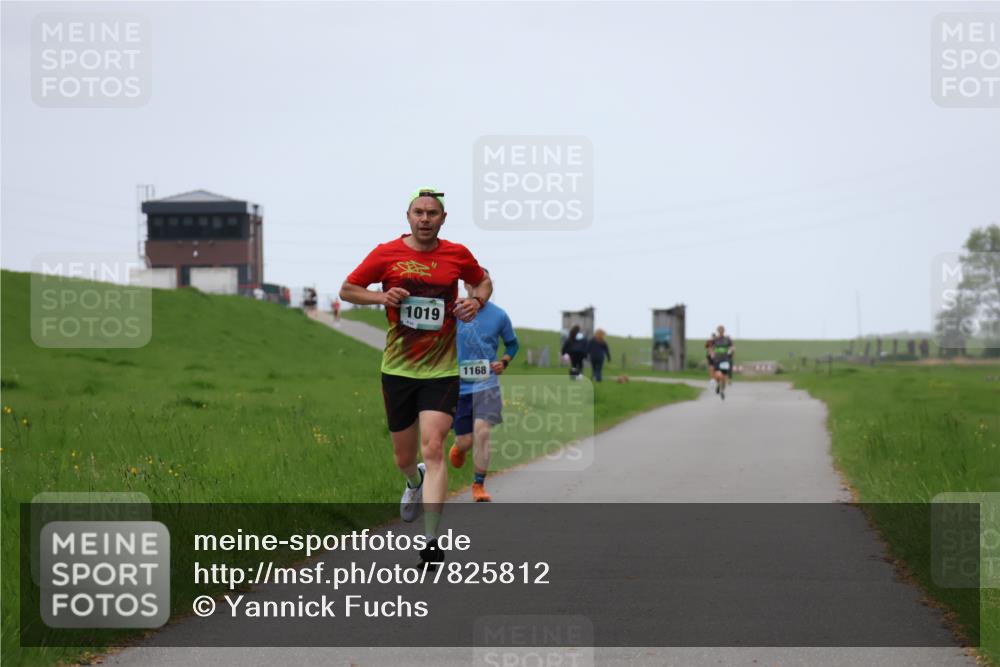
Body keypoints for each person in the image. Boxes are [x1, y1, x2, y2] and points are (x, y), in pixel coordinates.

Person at [339, 188, 492, 566]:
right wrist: (382, 298)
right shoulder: (386, 253)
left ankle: (431, 542)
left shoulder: (457, 254)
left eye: (432, 213)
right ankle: (413, 482)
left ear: (443, 218)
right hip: (398, 368)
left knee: (435, 447)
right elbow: (348, 290)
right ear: (408, 217)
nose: (425, 219)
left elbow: (483, 281)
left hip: (441, 370)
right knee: (404, 458)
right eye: (418, 212)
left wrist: (477, 301)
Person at [449, 277, 519, 502]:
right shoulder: (455, 310)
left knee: (483, 431)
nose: (477, 289)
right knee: (465, 441)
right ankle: (459, 448)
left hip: (487, 384)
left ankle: (478, 485)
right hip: (459, 387)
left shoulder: (499, 315)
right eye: (473, 284)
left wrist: (504, 361)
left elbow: (512, 344)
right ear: (467, 286)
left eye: (483, 285)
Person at [710, 325, 736, 399]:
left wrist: (731, 350)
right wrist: (712, 354)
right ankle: (718, 384)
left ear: (724, 331)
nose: (721, 332)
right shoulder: (715, 339)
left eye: (722, 330)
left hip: (725, 359)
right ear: (718, 331)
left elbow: (732, 347)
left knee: (724, 377)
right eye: (720, 330)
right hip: (717, 360)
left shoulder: (727, 339)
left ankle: (722, 391)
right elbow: (711, 348)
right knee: (718, 375)